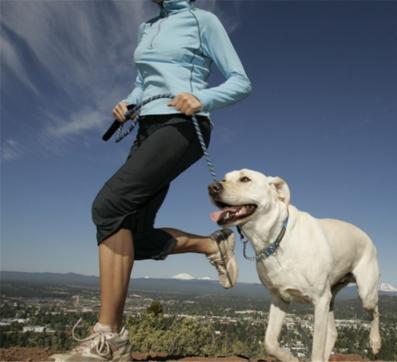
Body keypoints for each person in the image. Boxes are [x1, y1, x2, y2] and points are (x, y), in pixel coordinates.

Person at [50, 0, 251, 360]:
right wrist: (128, 103)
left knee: (109, 205)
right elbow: (144, 82)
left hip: (183, 126)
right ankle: (212, 246)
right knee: (134, 238)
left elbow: (241, 82)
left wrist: (201, 97)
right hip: (147, 127)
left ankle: (109, 339)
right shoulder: (147, 27)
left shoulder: (202, 20)